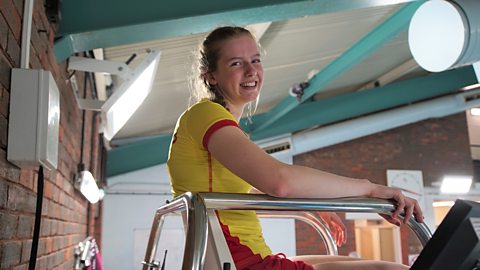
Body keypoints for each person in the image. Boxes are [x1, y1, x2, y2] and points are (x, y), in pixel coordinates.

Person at [167, 26, 423, 270]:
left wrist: (308, 206)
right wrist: (370, 189)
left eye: (255, 60)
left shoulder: (213, 123)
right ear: (211, 76)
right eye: (236, 63)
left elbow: (242, 194)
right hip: (241, 260)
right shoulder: (206, 114)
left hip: (249, 256)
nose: (251, 71)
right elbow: (280, 181)